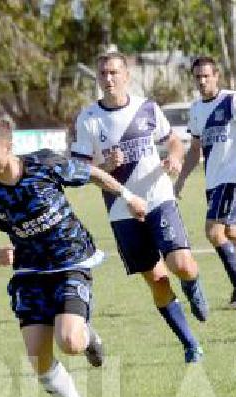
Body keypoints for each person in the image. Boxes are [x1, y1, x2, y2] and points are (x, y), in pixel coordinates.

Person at [0, 116, 146, 397]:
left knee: (71, 342)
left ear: (8, 148)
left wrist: (129, 198)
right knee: (38, 356)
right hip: (30, 271)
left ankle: (88, 335)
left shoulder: (45, 165)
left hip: (71, 260)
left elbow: (92, 174)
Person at [70, 52, 207, 363]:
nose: (109, 78)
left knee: (182, 264)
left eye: (114, 72)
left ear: (126, 75)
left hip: (159, 197)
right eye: (103, 73)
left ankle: (193, 286)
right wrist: (106, 164)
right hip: (122, 210)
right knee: (157, 281)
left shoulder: (146, 108)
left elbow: (174, 141)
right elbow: (81, 171)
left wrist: (174, 156)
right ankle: (190, 344)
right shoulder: (89, 119)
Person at [173, 57, 236, 309]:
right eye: (198, 77)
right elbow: (195, 150)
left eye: (206, 76)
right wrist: (180, 180)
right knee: (233, 232)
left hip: (233, 177)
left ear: (217, 76)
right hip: (213, 181)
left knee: (214, 232)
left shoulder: (231, 100)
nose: (202, 81)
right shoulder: (196, 109)